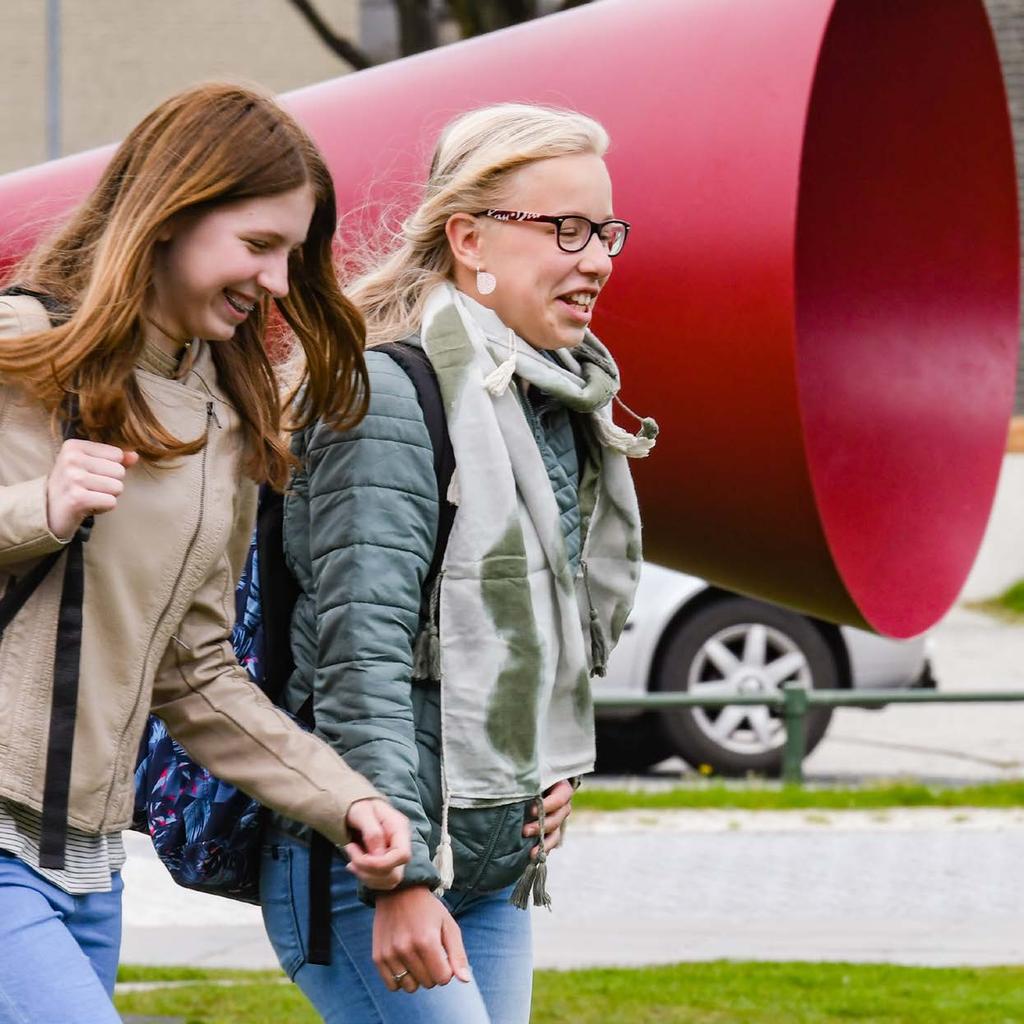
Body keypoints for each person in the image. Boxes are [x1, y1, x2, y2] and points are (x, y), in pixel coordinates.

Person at [0, 82, 411, 1024]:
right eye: (258, 245)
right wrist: (40, 507)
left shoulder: (223, 422)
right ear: (170, 215)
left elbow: (195, 672)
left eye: (293, 255)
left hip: (88, 866)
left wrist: (344, 802)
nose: (275, 280)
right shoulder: (24, 347)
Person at [261, 102, 656, 1024]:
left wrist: (549, 767)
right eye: (564, 229)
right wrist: (398, 879)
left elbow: (540, 636)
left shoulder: (549, 397)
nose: (596, 258)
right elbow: (362, 660)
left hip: (486, 862)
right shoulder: (387, 398)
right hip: (372, 873)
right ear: (470, 237)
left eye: (606, 230)